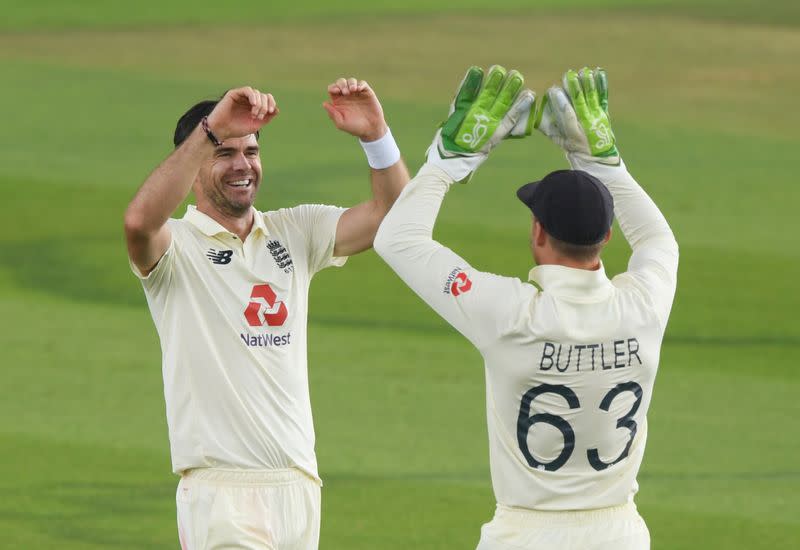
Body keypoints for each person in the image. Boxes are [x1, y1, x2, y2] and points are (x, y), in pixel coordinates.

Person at [374, 66, 678, 549]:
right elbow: (659, 239)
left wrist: (448, 160)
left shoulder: (510, 314)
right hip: (620, 535)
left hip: (525, 535)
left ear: (537, 232)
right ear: (607, 235)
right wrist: (602, 161)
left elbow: (397, 238)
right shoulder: (644, 305)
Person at [124, 78, 409, 549]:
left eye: (251, 151)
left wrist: (376, 135)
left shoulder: (294, 232)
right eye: (224, 152)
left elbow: (394, 217)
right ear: (194, 164)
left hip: (298, 486)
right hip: (222, 493)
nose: (243, 165)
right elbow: (138, 222)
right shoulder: (175, 247)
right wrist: (210, 128)